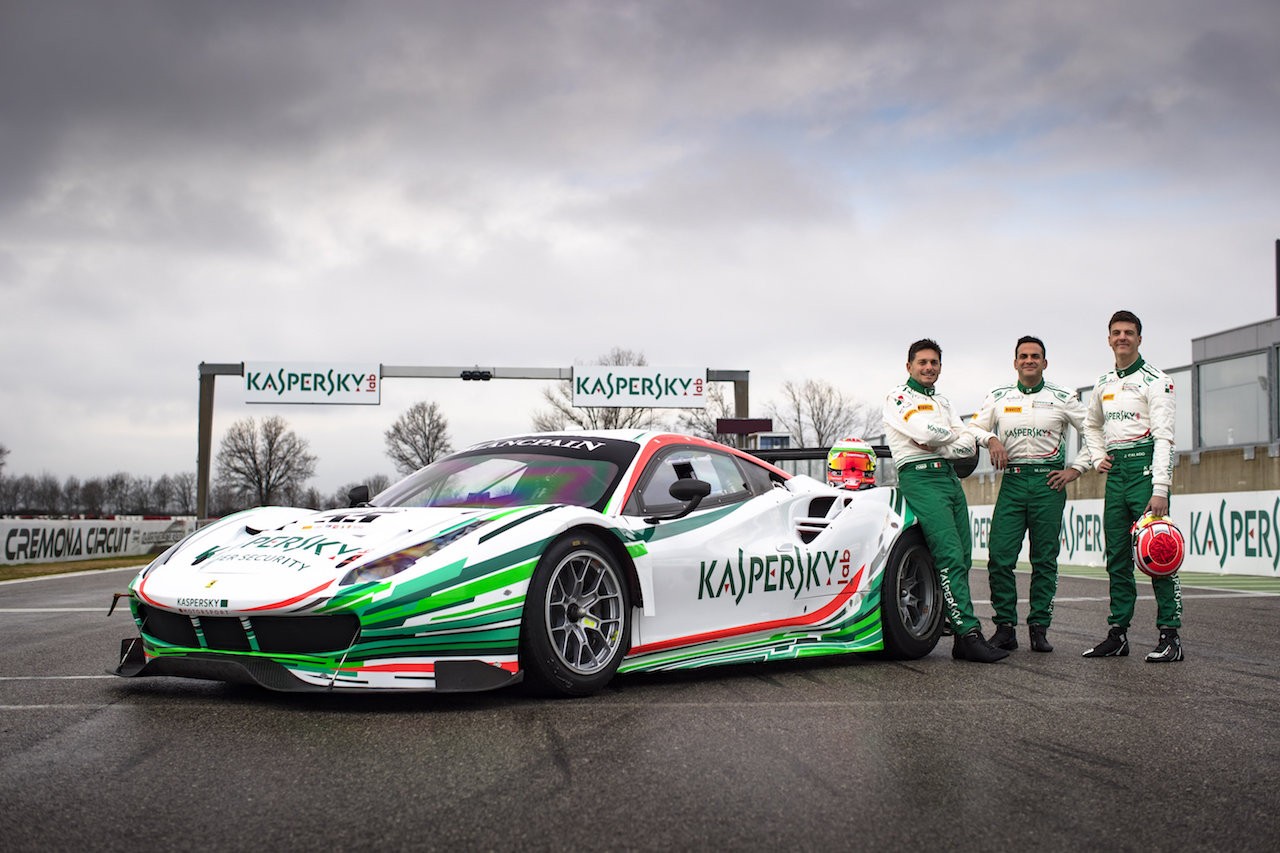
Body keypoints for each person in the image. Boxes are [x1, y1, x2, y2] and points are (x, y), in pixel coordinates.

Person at [883, 339, 1007, 663]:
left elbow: (967, 446)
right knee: (949, 555)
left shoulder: (944, 401)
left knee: (963, 556)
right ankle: (969, 633)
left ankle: (958, 633)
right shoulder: (897, 397)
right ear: (909, 366)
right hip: (919, 477)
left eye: (934, 363)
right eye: (922, 362)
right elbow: (923, 432)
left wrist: (944, 441)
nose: (928, 368)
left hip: (949, 478)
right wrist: (949, 437)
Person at [967, 336, 1092, 653]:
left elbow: (1095, 433)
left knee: (1044, 560)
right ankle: (1005, 627)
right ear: (1015, 362)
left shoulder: (1062, 397)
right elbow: (972, 429)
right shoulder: (999, 397)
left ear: (1044, 362)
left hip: (1049, 483)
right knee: (999, 557)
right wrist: (991, 440)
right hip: (1012, 481)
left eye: (1035, 356)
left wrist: (1076, 469)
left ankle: (1039, 628)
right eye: (1023, 356)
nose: (1029, 360)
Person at [1080, 310, 1182, 662]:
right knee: (1118, 559)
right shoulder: (1103, 383)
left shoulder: (1158, 380)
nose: (1122, 337)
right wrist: (1096, 456)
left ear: (1140, 338)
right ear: (1109, 339)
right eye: (1116, 332)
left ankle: (1170, 636)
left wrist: (1161, 487)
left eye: (1129, 332)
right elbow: (1090, 425)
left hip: (1145, 471)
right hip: (1116, 474)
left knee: (1160, 555)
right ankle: (1118, 634)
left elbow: (1166, 437)